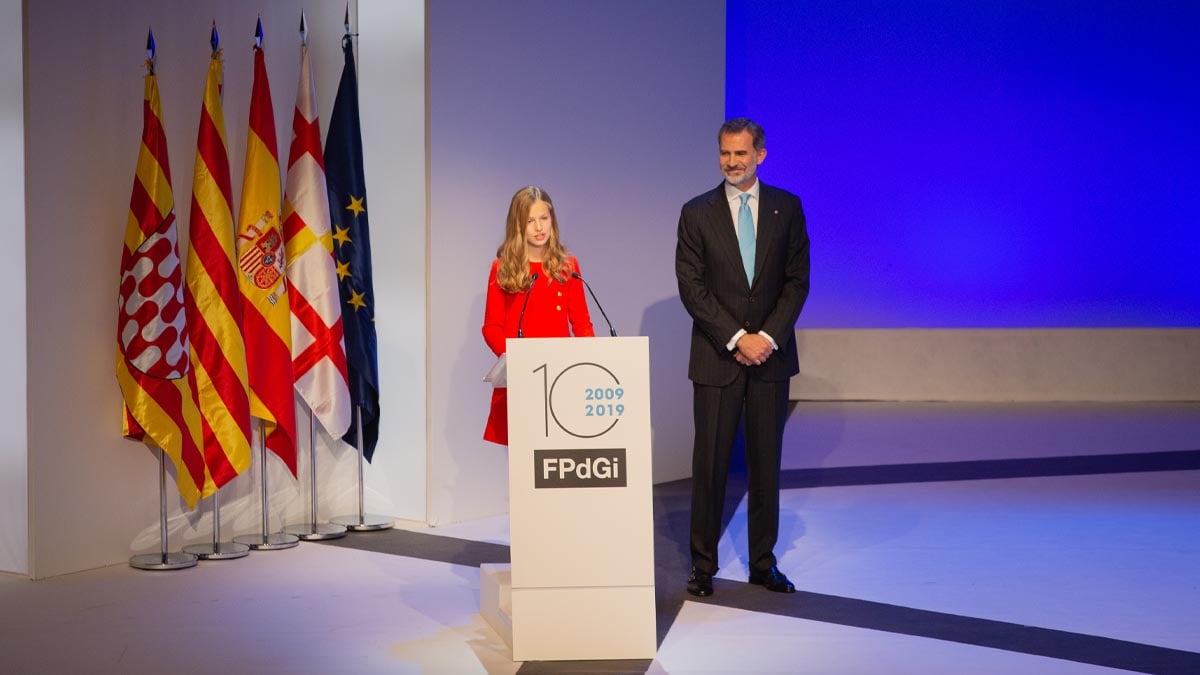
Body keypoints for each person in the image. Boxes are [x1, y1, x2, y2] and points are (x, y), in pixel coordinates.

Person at [675, 118, 811, 596]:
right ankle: (702, 566)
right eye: (724, 154)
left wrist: (767, 337)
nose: (731, 162)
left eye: (740, 154)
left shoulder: (787, 208)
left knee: (765, 463)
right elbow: (691, 288)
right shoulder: (696, 213)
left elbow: (797, 283)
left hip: (770, 360)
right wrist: (737, 337)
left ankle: (762, 563)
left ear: (760, 155)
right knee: (710, 465)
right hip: (717, 359)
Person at [483, 186, 595, 445]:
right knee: (526, 461)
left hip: (560, 376)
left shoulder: (568, 267)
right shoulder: (502, 268)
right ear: (518, 225)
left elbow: (581, 324)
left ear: (552, 219)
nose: (538, 227)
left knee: (558, 454)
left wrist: (591, 362)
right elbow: (491, 327)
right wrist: (517, 363)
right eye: (530, 221)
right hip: (522, 378)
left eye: (543, 218)